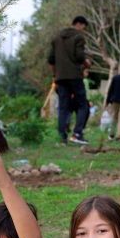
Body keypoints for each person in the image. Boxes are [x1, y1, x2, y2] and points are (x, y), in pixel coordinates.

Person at [48, 15, 91, 145]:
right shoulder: (78, 37)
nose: (83, 30)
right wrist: (86, 62)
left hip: (60, 78)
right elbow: (79, 56)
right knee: (83, 105)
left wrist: (55, 75)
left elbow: (51, 60)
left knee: (63, 108)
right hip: (75, 76)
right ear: (79, 24)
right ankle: (77, 133)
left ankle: (62, 138)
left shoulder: (56, 38)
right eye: (84, 27)